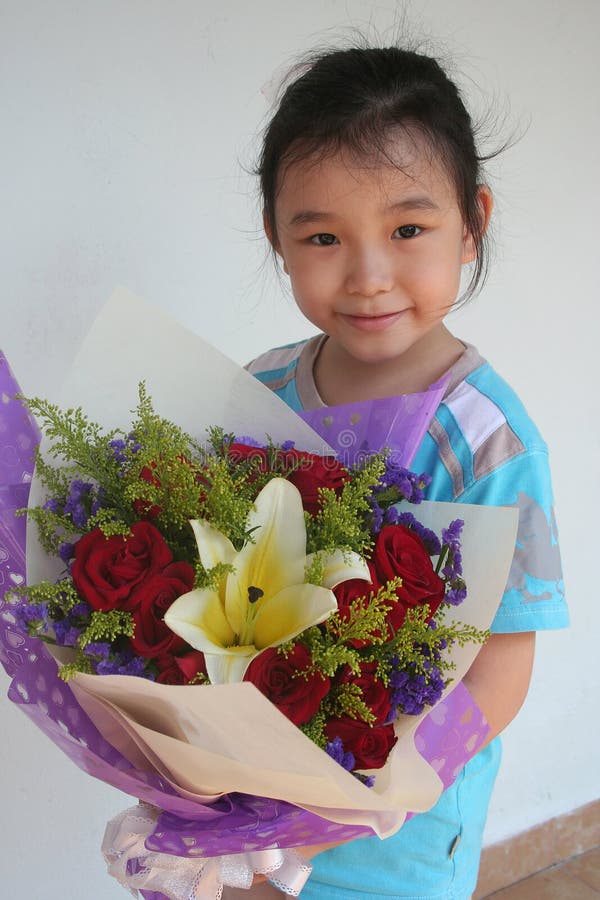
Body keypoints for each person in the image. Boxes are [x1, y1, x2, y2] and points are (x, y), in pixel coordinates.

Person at [240, 44, 568, 900]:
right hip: (248, 800)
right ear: (278, 236)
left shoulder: (488, 439)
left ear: (473, 224)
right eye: (322, 236)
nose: (369, 276)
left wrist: (384, 784)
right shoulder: (260, 391)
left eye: (407, 230)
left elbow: (504, 657)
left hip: (394, 837)